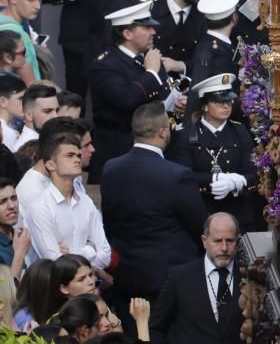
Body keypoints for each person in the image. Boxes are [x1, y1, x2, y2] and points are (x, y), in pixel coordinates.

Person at [101, 103, 207, 326]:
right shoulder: (176, 175)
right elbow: (200, 227)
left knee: (134, 339)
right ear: (163, 131)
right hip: (168, 277)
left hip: (126, 274)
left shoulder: (110, 168)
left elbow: (109, 221)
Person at [89, 2, 182, 183]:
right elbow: (127, 99)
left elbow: (158, 96)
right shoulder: (105, 65)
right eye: (146, 27)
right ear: (127, 33)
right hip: (121, 152)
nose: (153, 32)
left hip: (153, 148)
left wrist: (175, 102)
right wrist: (151, 74)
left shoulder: (148, 58)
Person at [167, 76, 256, 229]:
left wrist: (238, 182)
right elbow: (182, 176)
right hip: (201, 210)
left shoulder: (240, 131)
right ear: (205, 106)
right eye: (219, 102)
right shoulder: (186, 135)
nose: (226, 106)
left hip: (235, 211)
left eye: (228, 101)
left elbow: (252, 172)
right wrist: (214, 177)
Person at [148, 212, 242, 344]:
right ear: (204, 241)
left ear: (238, 241)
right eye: (217, 241)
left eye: (230, 240)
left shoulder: (247, 276)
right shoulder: (180, 277)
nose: (224, 247)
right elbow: (156, 327)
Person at [25, 131, 110, 270]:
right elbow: (54, 263)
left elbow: (105, 257)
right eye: (69, 156)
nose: (77, 159)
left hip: (87, 287)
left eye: (78, 155)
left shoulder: (86, 202)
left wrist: (70, 254)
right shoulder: (39, 206)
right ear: (51, 165)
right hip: (53, 289)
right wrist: (90, 249)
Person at [0, 178, 31, 274]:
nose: (12, 206)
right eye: (2, 202)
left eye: (14, 198)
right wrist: (20, 254)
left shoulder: (20, 236)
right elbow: (7, 289)